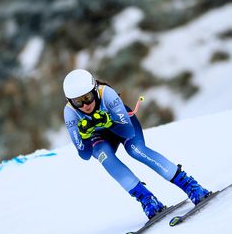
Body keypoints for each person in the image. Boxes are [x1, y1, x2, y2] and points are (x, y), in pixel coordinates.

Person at [63, 69, 210, 219]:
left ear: (94, 91)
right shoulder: (70, 113)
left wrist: (109, 122)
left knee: (135, 150)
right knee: (104, 157)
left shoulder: (107, 94)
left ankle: (190, 185)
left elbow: (127, 131)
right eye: (78, 101)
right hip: (99, 137)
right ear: (70, 102)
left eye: (87, 97)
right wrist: (85, 136)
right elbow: (85, 154)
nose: (85, 105)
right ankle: (147, 200)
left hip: (122, 125)